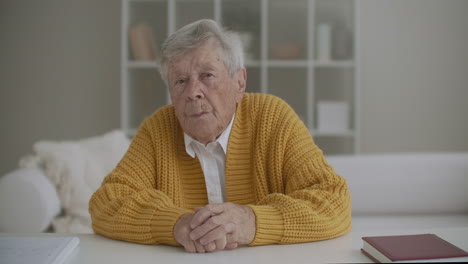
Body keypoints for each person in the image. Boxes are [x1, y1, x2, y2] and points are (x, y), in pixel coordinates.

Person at [89, 19, 351, 253]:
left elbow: (334, 201)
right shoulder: (157, 129)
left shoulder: (274, 119)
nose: (193, 92)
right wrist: (175, 223)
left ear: (240, 82)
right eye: (180, 81)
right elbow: (106, 203)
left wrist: (251, 221)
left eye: (207, 75)